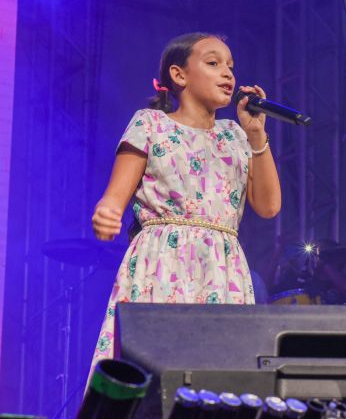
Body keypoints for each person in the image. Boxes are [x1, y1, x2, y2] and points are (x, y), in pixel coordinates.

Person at [89, 32, 281, 372]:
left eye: (230, 66)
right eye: (213, 63)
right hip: (162, 262)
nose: (228, 73)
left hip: (221, 269)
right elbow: (114, 197)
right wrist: (107, 212)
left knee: (220, 374)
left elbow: (268, 207)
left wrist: (255, 134)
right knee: (153, 369)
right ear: (179, 75)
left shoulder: (235, 134)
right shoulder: (150, 124)